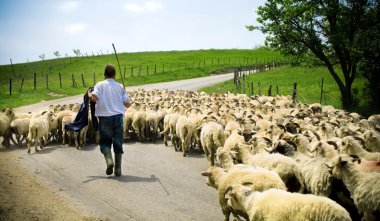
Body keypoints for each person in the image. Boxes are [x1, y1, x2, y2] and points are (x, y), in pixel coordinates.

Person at [87, 64, 131, 176]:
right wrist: (127, 96)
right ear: (114, 74)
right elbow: (127, 104)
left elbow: (94, 98)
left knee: (105, 142)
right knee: (118, 143)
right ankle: (118, 169)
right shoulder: (120, 86)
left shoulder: (99, 85)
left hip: (105, 118)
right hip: (118, 118)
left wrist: (89, 94)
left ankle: (109, 161)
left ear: (105, 74)